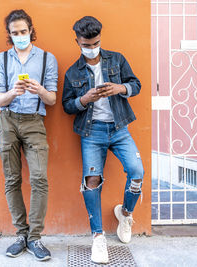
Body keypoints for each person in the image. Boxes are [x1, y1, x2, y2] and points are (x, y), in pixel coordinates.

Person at [62, 16, 144, 264]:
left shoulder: (116, 59)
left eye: (95, 43)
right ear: (77, 41)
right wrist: (85, 99)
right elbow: (67, 105)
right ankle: (98, 237)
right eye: (86, 44)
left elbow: (136, 84)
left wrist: (120, 88)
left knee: (137, 170)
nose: (91, 47)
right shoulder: (72, 72)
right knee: (91, 180)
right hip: (92, 131)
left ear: (100, 38)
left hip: (119, 128)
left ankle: (125, 214)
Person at [0, 9, 58, 261]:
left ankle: (35, 237)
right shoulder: (1, 59)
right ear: (9, 35)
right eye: (15, 33)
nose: (20, 36)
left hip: (34, 121)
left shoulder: (47, 59)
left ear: (31, 30)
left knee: (40, 178)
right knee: (12, 179)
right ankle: (21, 234)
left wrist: (39, 89)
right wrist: (13, 92)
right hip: (7, 120)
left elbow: (51, 99)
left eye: (23, 31)